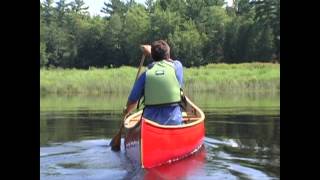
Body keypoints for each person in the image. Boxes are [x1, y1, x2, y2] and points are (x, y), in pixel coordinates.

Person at [122, 40, 184, 125]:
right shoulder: (177, 67)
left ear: (153, 57)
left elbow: (133, 100)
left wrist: (127, 111)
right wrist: (151, 53)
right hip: (174, 122)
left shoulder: (145, 75)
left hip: (150, 123)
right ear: (168, 55)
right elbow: (168, 61)